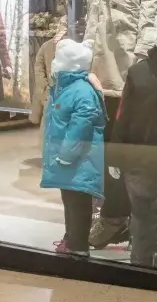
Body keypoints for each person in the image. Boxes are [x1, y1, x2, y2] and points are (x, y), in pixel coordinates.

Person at [40, 39, 106, 255]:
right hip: (67, 161)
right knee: (70, 200)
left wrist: (66, 155)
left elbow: (81, 127)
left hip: (78, 162)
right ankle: (71, 240)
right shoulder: (64, 88)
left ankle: (78, 247)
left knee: (78, 203)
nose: (54, 63)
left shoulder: (81, 91)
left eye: (59, 59)